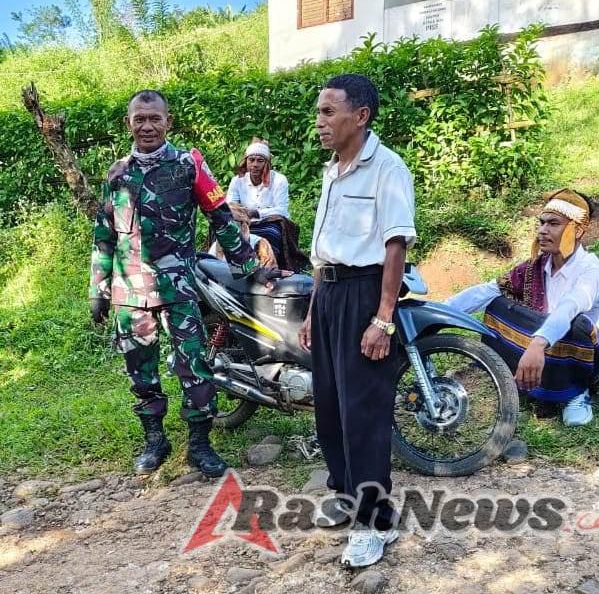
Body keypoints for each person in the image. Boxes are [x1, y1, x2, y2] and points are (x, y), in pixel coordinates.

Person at [89, 89, 283, 478]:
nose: (147, 126)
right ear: (129, 123)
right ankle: (155, 441)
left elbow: (220, 218)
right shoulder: (117, 174)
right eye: (139, 119)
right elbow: (104, 234)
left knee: (194, 366)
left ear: (168, 122)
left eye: (154, 118)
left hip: (179, 287)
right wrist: (99, 288)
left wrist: (249, 265)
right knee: (140, 372)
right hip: (130, 291)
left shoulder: (188, 165)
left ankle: (199, 445)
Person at [298, 74, 416, 568]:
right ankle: (347, 495)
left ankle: (375, 522)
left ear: (361, 115)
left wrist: (383, 319)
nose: (320, 121)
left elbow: (395, 246)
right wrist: (311, 311)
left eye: (329, 112)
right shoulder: (332, 170)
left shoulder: (387, 168)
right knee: (330, 406)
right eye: (320, 112)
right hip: (328, 296)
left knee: (364, 412)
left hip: (367, 296)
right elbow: (324, 253)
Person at [446, 189, 599, 427]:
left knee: (576, 324)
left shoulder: (595, 271)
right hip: (551, 344)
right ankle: (523, 377)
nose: (543, 231)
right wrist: (438, 311)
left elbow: (569, 306)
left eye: (553, 224)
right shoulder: (538, 266)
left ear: (577, 230)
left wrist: (536, 344)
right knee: (499, 304)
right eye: (541, 223)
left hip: (596, 360)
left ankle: (576, 392)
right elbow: (488, 290)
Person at [227, 138, 290, 259]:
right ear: (246, 162)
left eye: (260, 161)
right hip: (244, 222)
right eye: (251, 160)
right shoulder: (237, 181)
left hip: (270, 222)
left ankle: (269, 268)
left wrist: (256, 213)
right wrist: (239, 214)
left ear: (267, 163)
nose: (255, 165)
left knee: (271, 234)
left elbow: (282, 211)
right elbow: (230, 206)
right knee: (223, 231)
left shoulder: (279, 180)